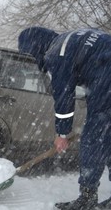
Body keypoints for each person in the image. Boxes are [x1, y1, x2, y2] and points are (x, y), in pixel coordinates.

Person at [18, 26, 111, 210]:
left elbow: (63, 95)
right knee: (107, 138)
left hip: (107, 79)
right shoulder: (69, 38)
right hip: (105, 76)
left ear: (34, 46)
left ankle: (87, 198)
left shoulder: (57, 53)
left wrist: (62, 132)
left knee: (94, 139)